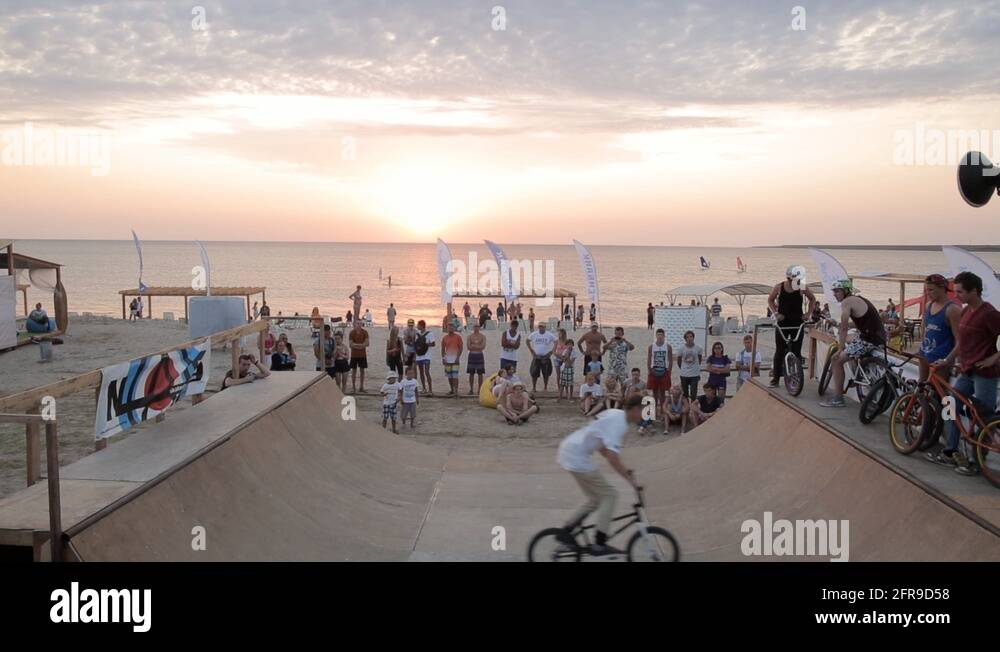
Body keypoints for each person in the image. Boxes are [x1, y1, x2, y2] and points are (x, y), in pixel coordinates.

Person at [926, 272, 1000, 474]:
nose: (956, 295)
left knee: (985, 416)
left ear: (973, 291)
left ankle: (978, 461)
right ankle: (951, 451)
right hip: (966, 370)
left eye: (960, 292)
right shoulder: (966, 311)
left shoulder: (989, 313)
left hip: (985, 374)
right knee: (949, 405)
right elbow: (963, 343)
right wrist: (950, 360)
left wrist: (995, 358)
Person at [555, 394, 644, 556]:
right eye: (642, 411)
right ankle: (599, 543)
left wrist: (624, 469)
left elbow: (603, 447)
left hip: (571, 450)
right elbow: (612, 457)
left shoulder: (615, 414)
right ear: (635, 409)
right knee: (610, 495)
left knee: (597, 499)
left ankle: (566, 531)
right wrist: (630, 479)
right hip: (576, 457)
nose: (642, 415)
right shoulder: (619, 424)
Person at [819, 279, 887, 408]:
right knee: (850, 341)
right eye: (834, 291)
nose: (835, 294)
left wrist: (839, 350)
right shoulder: (858, 299)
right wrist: (837, 324)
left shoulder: (846, 302)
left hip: (869, 340)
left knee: (837, 360)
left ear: (845, 291)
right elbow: (858, 322)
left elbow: (844, 329)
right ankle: (857, 369)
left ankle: (838, 398)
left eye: (837, 291)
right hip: (876, 337)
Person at [767, 266, 817, 387]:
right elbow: (770, 300)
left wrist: (808, 314)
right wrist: (776, 313)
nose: (796, 282)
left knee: (796, 351)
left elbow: (812, 299)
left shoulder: (802, 286)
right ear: (788, 278)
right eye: (793, 280)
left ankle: (797, 377)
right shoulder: (779, 287)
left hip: (797, 322)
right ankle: (776, 379)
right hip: (783, 322)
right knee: (779, 351)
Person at [917, 274, 961, 383]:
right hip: (924, 356)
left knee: (938, 394)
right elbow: (925, 329)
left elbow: (960, 341)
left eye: (931, 290)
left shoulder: (952, 310)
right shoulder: (928, 305)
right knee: (921, 389)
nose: (928, 293)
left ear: (942, 288)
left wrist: (948, 360)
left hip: (941, 359)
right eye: (926, 290)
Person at [647, 328, 673, 413]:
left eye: (661, 335)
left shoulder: (668, 347)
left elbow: (670, 360)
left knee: (662, 392)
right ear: (656, 336)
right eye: (658, 335)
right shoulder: (651, 346)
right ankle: (654, 410)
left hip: (664, 370)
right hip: (654, 370)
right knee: (654, 392)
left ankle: (662, 410)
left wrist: (669, 371)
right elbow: (649, 358)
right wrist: (649, 370)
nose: (660, 336)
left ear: (664, 336)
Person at [527, 322, 558, 392]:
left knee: (546, 373)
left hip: (545, 356)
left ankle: (545, 387)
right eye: (540, 327)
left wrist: (552, 351)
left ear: (545, 327)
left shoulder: (549, 334)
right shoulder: (534, 334)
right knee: (534, 372)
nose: (541, 328)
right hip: (536, 356)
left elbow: (556, 341)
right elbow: (527, 340)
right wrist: (531, 350)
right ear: (538, 327)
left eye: (543, 327)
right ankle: (534, 387)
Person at [624, 368, 653, 434]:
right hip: (631, 405)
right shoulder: (627, 382)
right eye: (633, 374)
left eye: (636, 374)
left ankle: (642, 427)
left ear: (639, 375)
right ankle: (646, 426)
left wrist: (639, 394)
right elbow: (625, 394)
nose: (635, 376)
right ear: (631, 375)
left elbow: (646, 395)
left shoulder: (643, 383)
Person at [677, 330, 703, 401]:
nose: (689, 338)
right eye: (687, 337)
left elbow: (699, 359)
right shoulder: (681, 348)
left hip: (694, 374)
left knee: (693, 393)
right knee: (685, 394)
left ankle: (693, 408)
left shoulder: (699, 348)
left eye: (691, 336)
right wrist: (683, 368)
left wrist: (695, 367)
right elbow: (679, 361)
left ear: (693, 338)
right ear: (685, 339)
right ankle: (687, 408)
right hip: (684, 374)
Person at [441, 323, 464, 397]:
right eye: (449, 327)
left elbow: (461, 348)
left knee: (455, 376)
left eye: (452, 327)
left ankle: (455, 390)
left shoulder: (458, 337)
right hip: (447, 359)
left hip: (455, 359)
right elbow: (442, 349)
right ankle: (451, 389)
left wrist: (458, 357)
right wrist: (443, 358)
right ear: (447, 329)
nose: (450, 329)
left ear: (454, 328)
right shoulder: (445, 338)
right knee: (449, 376)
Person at [413, 319, 436, 395]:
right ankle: (424, 388)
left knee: (426, 371)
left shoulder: (429, 334)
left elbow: (433, 344)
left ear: (422, 326)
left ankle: (430, 390)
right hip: (419, 356)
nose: (417, 326)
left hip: (427, 355)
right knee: (421, 372)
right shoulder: (417, 334)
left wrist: (426, 344)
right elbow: (415, 344)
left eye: (418, 325)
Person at [348, 321, 370, 393]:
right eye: (357, 323)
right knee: (353, 371)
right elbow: (351, 344)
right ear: (355, 324)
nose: (359, 325)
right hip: (354, 355)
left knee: (362, 371)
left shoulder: (365, 332)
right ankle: (353, 387)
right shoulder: (352, 332)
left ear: (362, 324)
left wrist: (357, 345)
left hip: (362, 355)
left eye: (360, 323)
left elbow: (367, 343)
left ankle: (361, 387)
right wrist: (361, 345)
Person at [466, 323, 487, 395]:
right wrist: (478, 345)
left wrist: (474, 345)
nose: (476, 328)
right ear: (473, 327)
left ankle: (479, 389)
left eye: (478, 326)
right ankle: (471, 389)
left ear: (479, 328)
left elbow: (483, 346)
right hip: (472, 355)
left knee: (480, 373)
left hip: (479, 355)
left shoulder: (483, 336)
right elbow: (468, 347)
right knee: (471, 373)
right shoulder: (470, 336)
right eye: (475, 326)